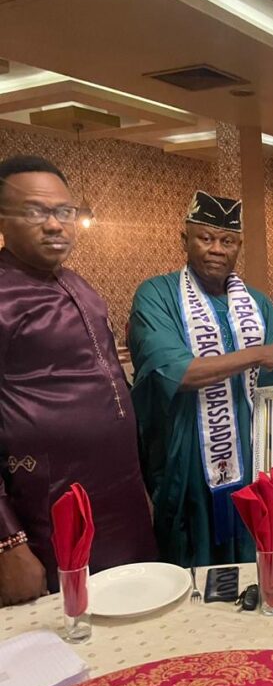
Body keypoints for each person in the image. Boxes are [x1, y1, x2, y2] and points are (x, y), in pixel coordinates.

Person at [0, 155, 156, 605]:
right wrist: (7, 541)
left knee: (132, 608)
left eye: (64, 211)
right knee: (67, 623)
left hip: (118, 494)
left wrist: (140, 487)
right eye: (35, 211)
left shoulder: (76, 283)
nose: (55, 225)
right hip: (46, 504)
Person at [128, 191, 273, 566]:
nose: (216, 250)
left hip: (255, 464)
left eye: (227, 241)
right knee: (195, 566)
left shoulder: (257, 304)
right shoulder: (156, 295)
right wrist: (259, 354)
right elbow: (178, 372)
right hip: (189, 462)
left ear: (238, 246)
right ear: (184, 240)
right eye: (205, 238)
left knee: (260, 563)